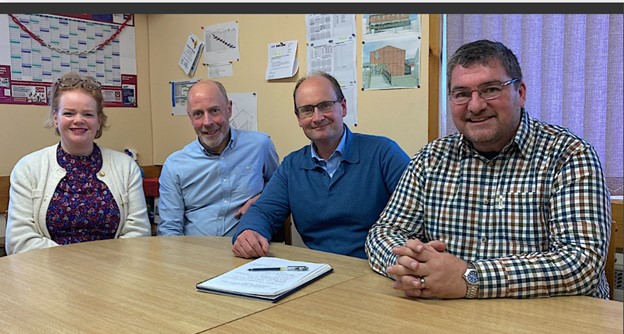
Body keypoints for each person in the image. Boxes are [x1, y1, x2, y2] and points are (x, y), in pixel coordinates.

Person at [365, 40, 611, 299]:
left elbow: (582, 264)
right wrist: (413, 266)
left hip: (550, 322)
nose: (475, 106)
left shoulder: (569, 155)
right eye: (461, 94)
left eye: (490, 90)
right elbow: (383, 233)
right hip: (449, 315)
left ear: (521, 93)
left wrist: (469, 277)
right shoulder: (431, 158)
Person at [232, 71, 410, 259]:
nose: (317, 117)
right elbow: (263, 211)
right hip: (320, 271)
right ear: (299, 118)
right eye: (307, 110)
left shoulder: (383, 153)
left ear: (343, 107)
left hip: (377, 267)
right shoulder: (292, 166)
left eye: (325, 106)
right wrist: (249, 232)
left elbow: (419, 213)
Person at [6, 72, 151, 255]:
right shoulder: (28, 169)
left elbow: (139, 233)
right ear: (55, 118)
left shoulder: (126, 167)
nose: (78, 120)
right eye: (69, 113)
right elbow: (19, 241)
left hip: (114, 271)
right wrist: (76, 264)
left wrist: (106, 264)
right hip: (48, 273)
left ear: (99, 121)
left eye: (88, 114)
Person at [157, 80, 279, 236]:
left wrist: (262, 198)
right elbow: (169, 230)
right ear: (190, 117)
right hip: (195, 255)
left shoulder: (260, 146)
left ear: (229, 109)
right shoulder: (174, 165)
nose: (207, 122)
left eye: (214, 111)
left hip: (250, 252)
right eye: (198, 114)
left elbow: (279, 189)